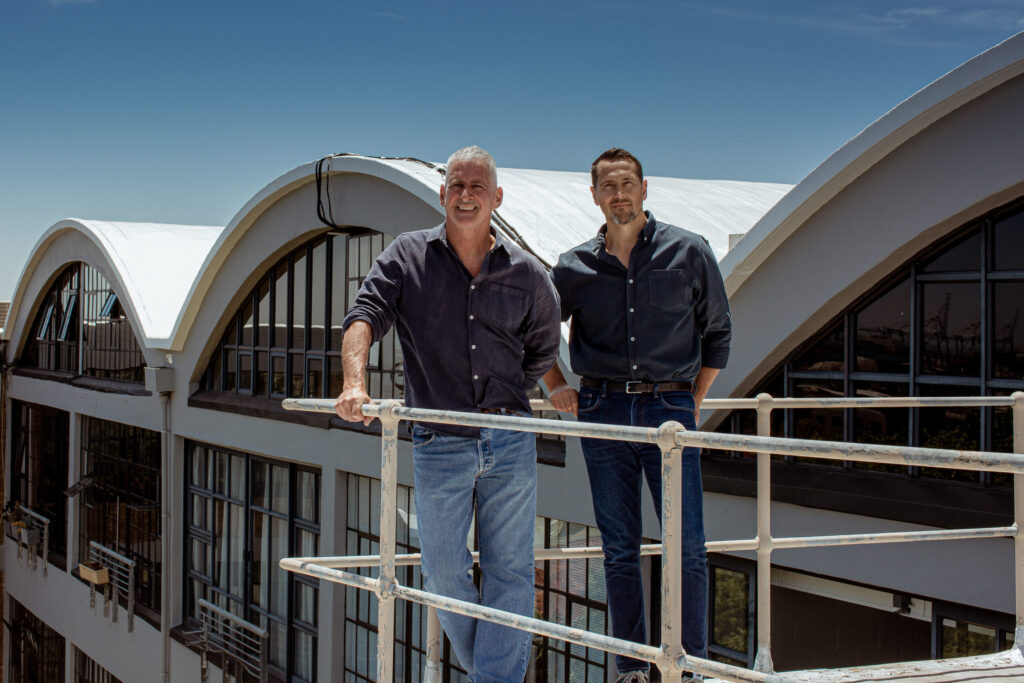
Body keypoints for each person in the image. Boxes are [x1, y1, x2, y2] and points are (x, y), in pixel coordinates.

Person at [335, 145, 560, 682]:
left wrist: (509, 393)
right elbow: (364, 315)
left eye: (477, 187)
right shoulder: (407, 256)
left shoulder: (526, 273)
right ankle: (495, 674)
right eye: (457, 185)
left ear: (496, 197)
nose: (465, 196)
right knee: (442, 572)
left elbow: (545, 347)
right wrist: (353, 381)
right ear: (442, 193)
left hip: (509, 439)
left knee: (511, 571)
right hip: (440, 442)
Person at [541, 148, 731, 682]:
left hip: (670, 408)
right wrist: (555, 384)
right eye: (608, 186)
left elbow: (718, 331)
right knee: (619, 548)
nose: (618, 194)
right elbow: (534, 337)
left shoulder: (689, 251)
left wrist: (692, 398)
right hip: (600, 409)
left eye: (627, 184)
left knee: (686, 546)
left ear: (644, 189)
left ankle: (687, 667)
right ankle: (629, 668)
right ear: (595, 195)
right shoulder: (573, 266)